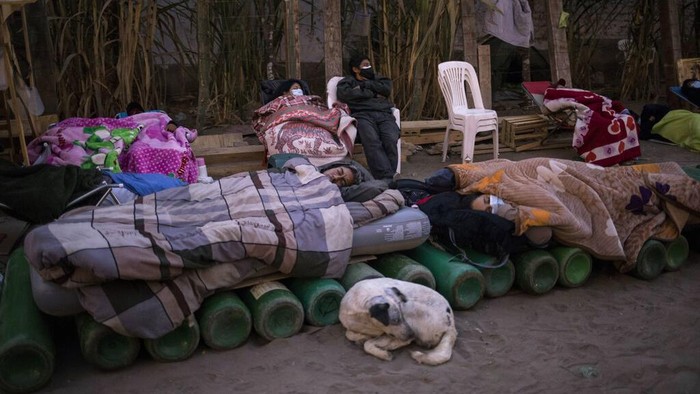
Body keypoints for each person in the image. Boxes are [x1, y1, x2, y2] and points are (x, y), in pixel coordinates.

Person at [252, 79, 357, 166]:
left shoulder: (312, 100)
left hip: (315, 122)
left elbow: (321, 111)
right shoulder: (280, 100)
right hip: (288, 121)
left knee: (324, 137)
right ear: (285, 92)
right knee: (283, 136)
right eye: (295, 88)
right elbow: (266, 114)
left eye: (300, 88)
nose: (299, 90)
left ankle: (327, 159)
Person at [336, 54, 400, 183]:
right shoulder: (348, 82)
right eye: (365, 65)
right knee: (371, 140)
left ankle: (389, 175)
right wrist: (371, 92)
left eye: (369, 64)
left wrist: (366, 86)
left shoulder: (379, 79)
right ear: (355, 69)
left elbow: (386, 89)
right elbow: (345, 95)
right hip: (362, 114)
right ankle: (385, 178)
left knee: (390, 138)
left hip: (384, 114)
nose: (369, 67)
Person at [318, 159, 389, 203]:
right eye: (339, 172)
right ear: (333, 166)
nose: (335, 177)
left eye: (342, 182)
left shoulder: (334, 194)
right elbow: (351, 162)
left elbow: (374, 187)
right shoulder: (309, 168)